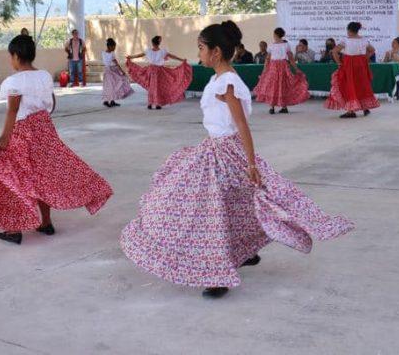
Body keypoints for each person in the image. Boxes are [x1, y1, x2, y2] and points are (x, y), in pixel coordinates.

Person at [120, 21, 354, 299]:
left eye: (202, 48)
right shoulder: (219, 78)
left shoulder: (228, 82)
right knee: (231, 203)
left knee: (209, 210)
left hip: (225, 151)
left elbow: (242, 125)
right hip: (214, 148)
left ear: (216, 52)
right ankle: (244, 252)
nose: (200, 54)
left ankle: (217, 274)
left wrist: (251, 164)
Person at [0, 34, 113, 245]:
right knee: (41, 176)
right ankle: (46, 223)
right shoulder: (45, 76)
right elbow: (52, 104)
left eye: (10, 56)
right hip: (44, 128)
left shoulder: (14, 81)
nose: (10, 61)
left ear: (16, 56)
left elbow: (12, 111)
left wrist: (4, 137)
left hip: (21, 131)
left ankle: (13, 229)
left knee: (12, 176)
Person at [325, 22, 379, 119]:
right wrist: (365, 58)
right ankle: (364, 107)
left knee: (350, 86)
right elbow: (372, 50)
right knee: (361, 86)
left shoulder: (346, 40)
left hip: (349, 66)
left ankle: (351, 111)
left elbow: (334, 51)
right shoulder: (364, 40)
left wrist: (339, 63)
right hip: (361, 66)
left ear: (349, 30)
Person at [253, 27, 310, 114]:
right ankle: (283, 107)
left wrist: (265, 70)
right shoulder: (286, 45)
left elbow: (267, 59)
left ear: (275, 35)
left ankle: (272, 107)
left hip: (274, 67)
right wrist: (296, 69)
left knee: (273, 86)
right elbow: (291, 59)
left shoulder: (272, 46)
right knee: (283, 86)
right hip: (283, 67)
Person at [126, 36, 192, 110]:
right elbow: (173, 56)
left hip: (150, 70)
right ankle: (157, 104)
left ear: (152, 43)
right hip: (159, 71)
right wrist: (182, 60)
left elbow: (139, 55)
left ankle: (150, 103)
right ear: (159, 43)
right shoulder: (162, 52)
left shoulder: (148, 51)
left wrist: (130, 57)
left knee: (151, 87)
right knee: (158, 87)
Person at [101, 38, 134, 108]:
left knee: (112, 86)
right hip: (110, 71)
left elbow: (113, 63)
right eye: (114, 47)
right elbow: (116, 63)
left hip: (110, 70)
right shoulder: (110, 54)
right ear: (110, 46)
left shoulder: (105, 53)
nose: (114, 48)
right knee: (111, 86)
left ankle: (111, 101)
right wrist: (122, 71)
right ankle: (107, 101)